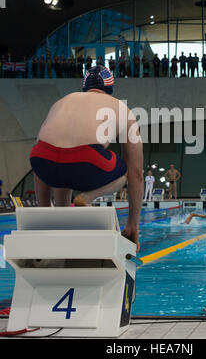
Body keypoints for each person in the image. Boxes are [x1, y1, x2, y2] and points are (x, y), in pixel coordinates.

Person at [29, 65, 143, 250]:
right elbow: (137, 174)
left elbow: (41, 147)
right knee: (125, 172)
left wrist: (43, 211)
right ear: (110, 88)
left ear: (84, 87)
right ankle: (86, 198)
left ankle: (50, 219)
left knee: (49, 154)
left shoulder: (62, 102)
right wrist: (132, 225)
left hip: (42, 161)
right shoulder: (121, 108)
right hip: (85, 162)